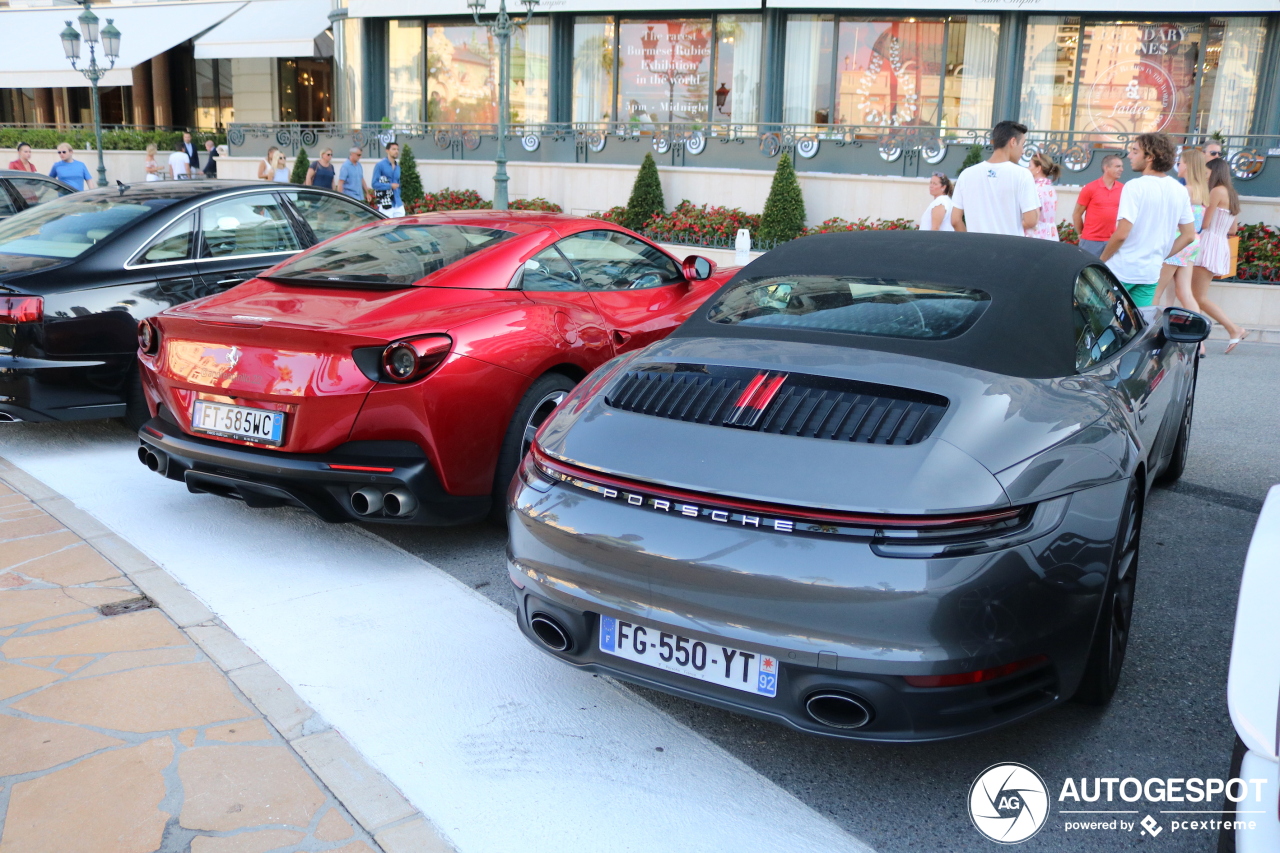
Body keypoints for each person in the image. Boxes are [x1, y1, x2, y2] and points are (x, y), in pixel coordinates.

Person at [1100, 133, 1196, 308]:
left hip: (1122, 269)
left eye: (1135, 151)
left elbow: (1122, 233)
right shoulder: (1179, 190)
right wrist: (1160, 255)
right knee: (1137, 327)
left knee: (1097, 322)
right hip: (1150, 273)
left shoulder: (1134, 186)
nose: (1129, 156)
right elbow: (1189, 235)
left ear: (1150, 157)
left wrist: (1101, 261)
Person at [950, 120, 1040, 235]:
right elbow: (1031, 220)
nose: (1023, 151)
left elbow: (955, 220)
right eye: (1022, 145)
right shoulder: (1022, 174)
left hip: (976, 248)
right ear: (1012, 142)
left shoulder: (966, 174)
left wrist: (970, 242)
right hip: (1009, 248)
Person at [1196, 158, 1248, 353]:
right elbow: (1233, 228)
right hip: (1219, 243)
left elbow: (1205, 223)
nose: (1204, 175)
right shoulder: (1232, 194)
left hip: (1208, 241)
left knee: (1197, 297)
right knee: (1196, 295)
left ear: (1214, 172)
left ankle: (1233, 329)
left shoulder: (1216, 191)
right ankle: (1200, 339)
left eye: (1207, 172)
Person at [1154, 148, 1208, 316]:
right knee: (1185, 293)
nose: (1178, 166)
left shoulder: (1184, 190)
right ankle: (1199, 339)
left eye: (1181, 162)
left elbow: (1171, 219)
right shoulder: (1202, 190)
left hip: (1178, 240)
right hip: (1193, 242)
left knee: (1155, 291)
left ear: (1189, 166)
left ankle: (1148, 333)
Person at [1073, 154, 1124, 256]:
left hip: (1112, 241)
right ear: (1106, 168)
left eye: (1121, 166)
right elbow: (1077, 214)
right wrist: (1080, 234)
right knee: (1089, 270)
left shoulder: (1123, 189)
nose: (1121, 169)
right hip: (1091, 241)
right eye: (1117, 166)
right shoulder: (1090, 188)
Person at [1025, 152, 1060, 241]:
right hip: (1051, 235)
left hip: (1036, 235)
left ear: (1038, 168)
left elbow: (1033, 220)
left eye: (1030, 166)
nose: (1027, 168)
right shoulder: (1050, 188)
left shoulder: (1034, 189)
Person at [371, 142, 403, 217]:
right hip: (386, 202)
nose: (396, 151)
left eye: (397, 149)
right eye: (394, 149)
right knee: (387, 226)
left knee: (400, 226)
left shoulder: (398, 167)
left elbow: (398, 183)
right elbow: (374, 184)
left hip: (398, 202)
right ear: (387, 150)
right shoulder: (380, 165)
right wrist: (390, 186)